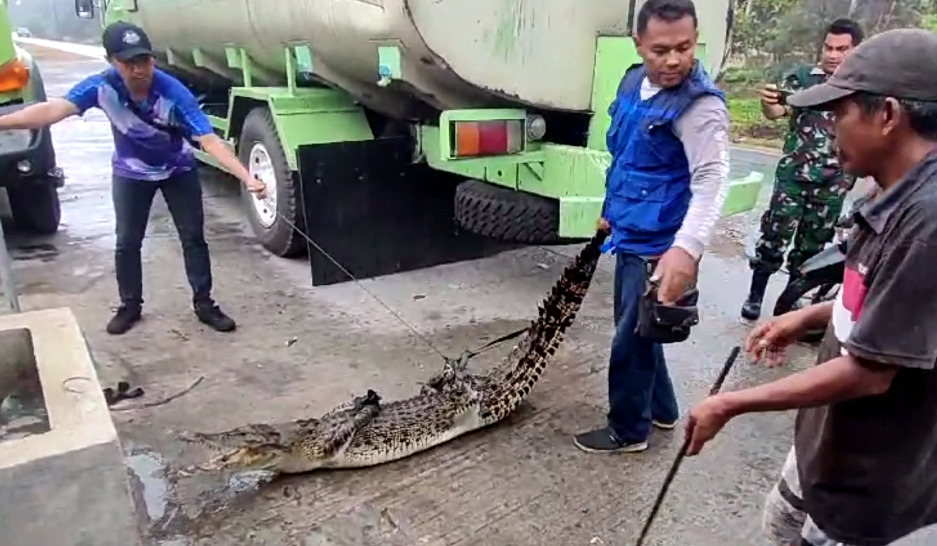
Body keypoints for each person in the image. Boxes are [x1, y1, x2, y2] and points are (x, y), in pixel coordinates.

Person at [685, 28, 937, 546]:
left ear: (887, 116)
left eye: (841, 112)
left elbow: (869, 373)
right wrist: (808, 316)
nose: (831, 128)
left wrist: (729, 404)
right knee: (781, 524)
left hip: (867, 478)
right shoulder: (894, 191)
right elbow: (875, 290)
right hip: (828, 443)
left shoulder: (927, 224)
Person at [0, 21, 267, 335]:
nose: (140, 69)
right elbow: (53, 110)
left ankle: (204, 303)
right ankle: (130, 306)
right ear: (112, 61)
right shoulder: (101, 86)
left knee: (193, 238)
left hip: (178, 171)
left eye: (145, 59)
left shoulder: (173, 93)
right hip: (130, 174)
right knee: (127, 242)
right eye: (129, 63)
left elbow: (208, 140)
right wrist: (3, 122)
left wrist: (247, 177)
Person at [574, 0, 730, 454]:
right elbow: (625, 155)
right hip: (630, 231)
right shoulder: (630, 82)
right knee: (643, 325)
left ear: (696, 40)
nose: (674, 60)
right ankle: (662, 409)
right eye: (661, 50)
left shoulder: (699, 107)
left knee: (630, 340)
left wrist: (687, 248)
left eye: (685, 47)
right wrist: (609, 209)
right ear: (638, 44)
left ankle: (628, 430)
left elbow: (712, 181)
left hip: (661, 246)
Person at [741, 18, 864, 321]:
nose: (833, 54)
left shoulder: (863, 88)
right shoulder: (803, 78)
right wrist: (768, 103)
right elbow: (776, 112)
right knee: (773, 235)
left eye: (842, 49)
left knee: (812, 246)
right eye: (828, 47)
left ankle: (789, 303)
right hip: (793, 177)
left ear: (857, 50)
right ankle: (755, 297)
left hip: (834, 182)